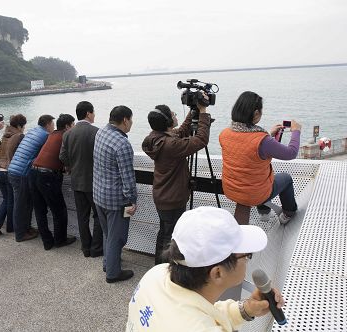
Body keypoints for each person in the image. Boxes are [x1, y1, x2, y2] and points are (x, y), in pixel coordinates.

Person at [126, 206, 284, 332]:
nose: (248, 259)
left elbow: (202, 313)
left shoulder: (156, 274)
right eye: (247, 255)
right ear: (217, 273)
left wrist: (247, 309)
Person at [142, 102, 210, 265]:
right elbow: (200, 140)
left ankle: (158, 265)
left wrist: (193, 110)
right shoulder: (170, 145)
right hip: (173, 199)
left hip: (162, 196)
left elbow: (179, 132)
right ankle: (165, 268)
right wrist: (203, 113)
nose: (176, 116)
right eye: (173, 115)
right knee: (171, 236)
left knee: (164, 231)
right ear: (167, 122)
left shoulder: (155, 138)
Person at [220, 91, 301, 224]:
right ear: (256, 113)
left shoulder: (225, 133)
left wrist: (269, 135)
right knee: (285, 178)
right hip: (256, 192)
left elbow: (246, 148)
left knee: (256, 180)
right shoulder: (263, 140)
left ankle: (263, 213)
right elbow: (291, 153)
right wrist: (296, 131)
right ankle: (288, 213)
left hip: (231, 189)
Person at [93, 105, 137, 283]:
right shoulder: (122, 144)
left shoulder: (101, 133)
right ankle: (112, 273)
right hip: (116, 200)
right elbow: (128, 178)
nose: (131, 123)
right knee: (117, 237)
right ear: (125, 120)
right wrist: (132, 201)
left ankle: (107, 263)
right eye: (131, 120)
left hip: (99, 194)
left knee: (107, 234)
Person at [59, 101, 103, 258]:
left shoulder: (68, 134)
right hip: (94, 182)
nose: (94, 115)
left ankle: (86, 247)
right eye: (93, 112)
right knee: (98, 215)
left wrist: (72, 166)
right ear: (88, 114)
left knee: (82, 216)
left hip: (76, 181)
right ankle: (97, 248)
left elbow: (62, 156)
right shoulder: (97, 132)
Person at [29, 114, 77, 250]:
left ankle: (47, 242)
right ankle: (60, 240)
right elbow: (66, 156)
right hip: (47, 176)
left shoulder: (52, 135)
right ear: (67, 126)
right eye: (73, 125)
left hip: (34, 171)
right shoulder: (66, 136)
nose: (74, 128)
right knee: (59, 210)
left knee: (40, 210)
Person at [7, 114, 55, 242]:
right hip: (21, 173)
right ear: (48, 124)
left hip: (14, 169)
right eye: (53, 124)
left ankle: (26, 229)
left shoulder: (33, 131)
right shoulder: (45, 136)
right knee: (21, 205)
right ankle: (20, 234)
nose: (54, 127)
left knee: (25, 203)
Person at [0, 114, 27, 235]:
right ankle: (7, 226)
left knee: (7, 199)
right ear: (20, 126)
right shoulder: (18, 136)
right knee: (11, 201)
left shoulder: (5, 136)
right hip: (8, 171)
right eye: (24, 126)